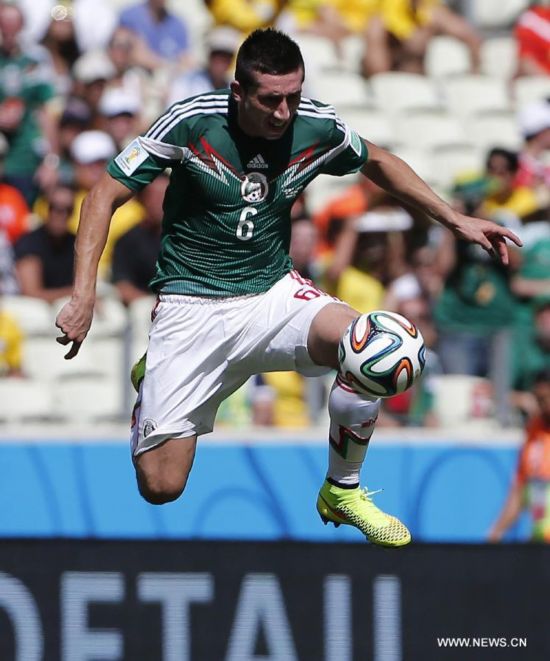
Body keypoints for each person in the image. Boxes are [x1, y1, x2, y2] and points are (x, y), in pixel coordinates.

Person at [55, 28, 521, 548]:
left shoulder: (314, 125)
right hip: (193, 306)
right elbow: (101, 196)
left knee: (384, 347)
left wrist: (454, 219)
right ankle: (154, 388)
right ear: (238, 93)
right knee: (162, 486)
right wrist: (84, 295)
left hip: (273, 294)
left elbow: (380, 161)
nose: (283, 113)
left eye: (293, 98)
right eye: (270, 100)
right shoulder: (193, 122)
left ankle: (341, 489)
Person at [489, 368, 550, 543]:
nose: (542, 406)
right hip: (540, 540)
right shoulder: (534, 431)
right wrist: (496, 532)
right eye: (538, 400)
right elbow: (520, 490)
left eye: (545, 399)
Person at [14, 184, 76, 303]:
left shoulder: (76, 242)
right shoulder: (30, 242)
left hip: (65, 301)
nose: (61, 215)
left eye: (68, 210)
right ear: (46, 208)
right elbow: (31, 293)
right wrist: (72, 293)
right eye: (55, 208)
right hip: (34, 306)